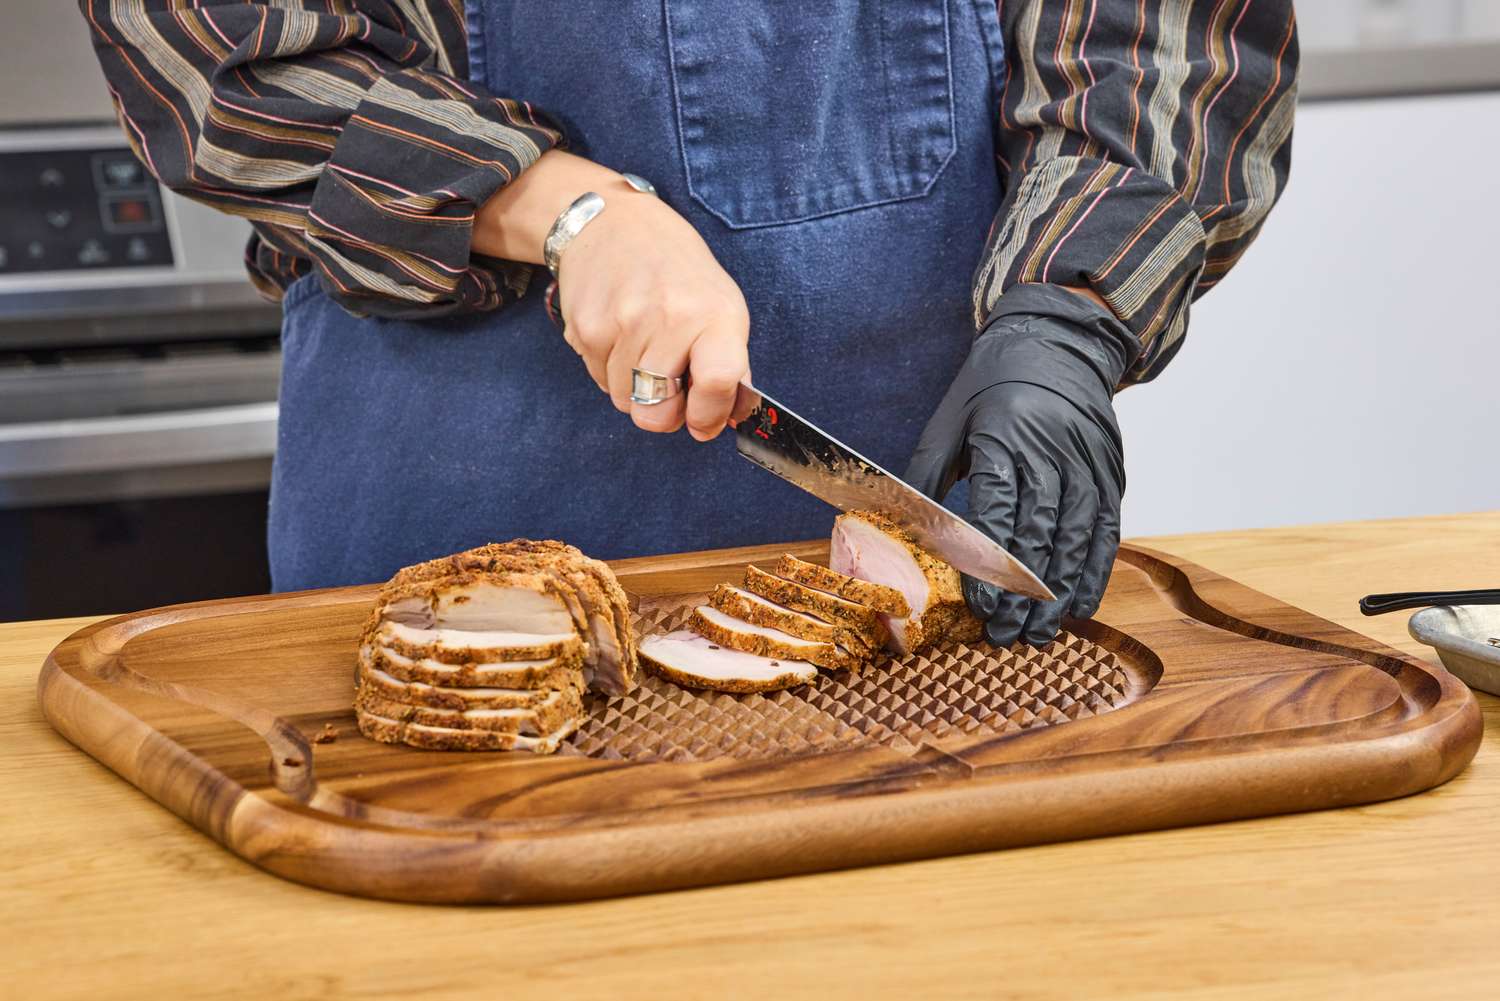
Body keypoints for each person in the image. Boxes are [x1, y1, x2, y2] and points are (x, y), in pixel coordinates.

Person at [81, 1, 1297, 646]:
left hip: (933, 569)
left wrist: (1065, 316)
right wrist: (561, 209)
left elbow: (1173, 42)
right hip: (436, 510)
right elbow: (214, 54)